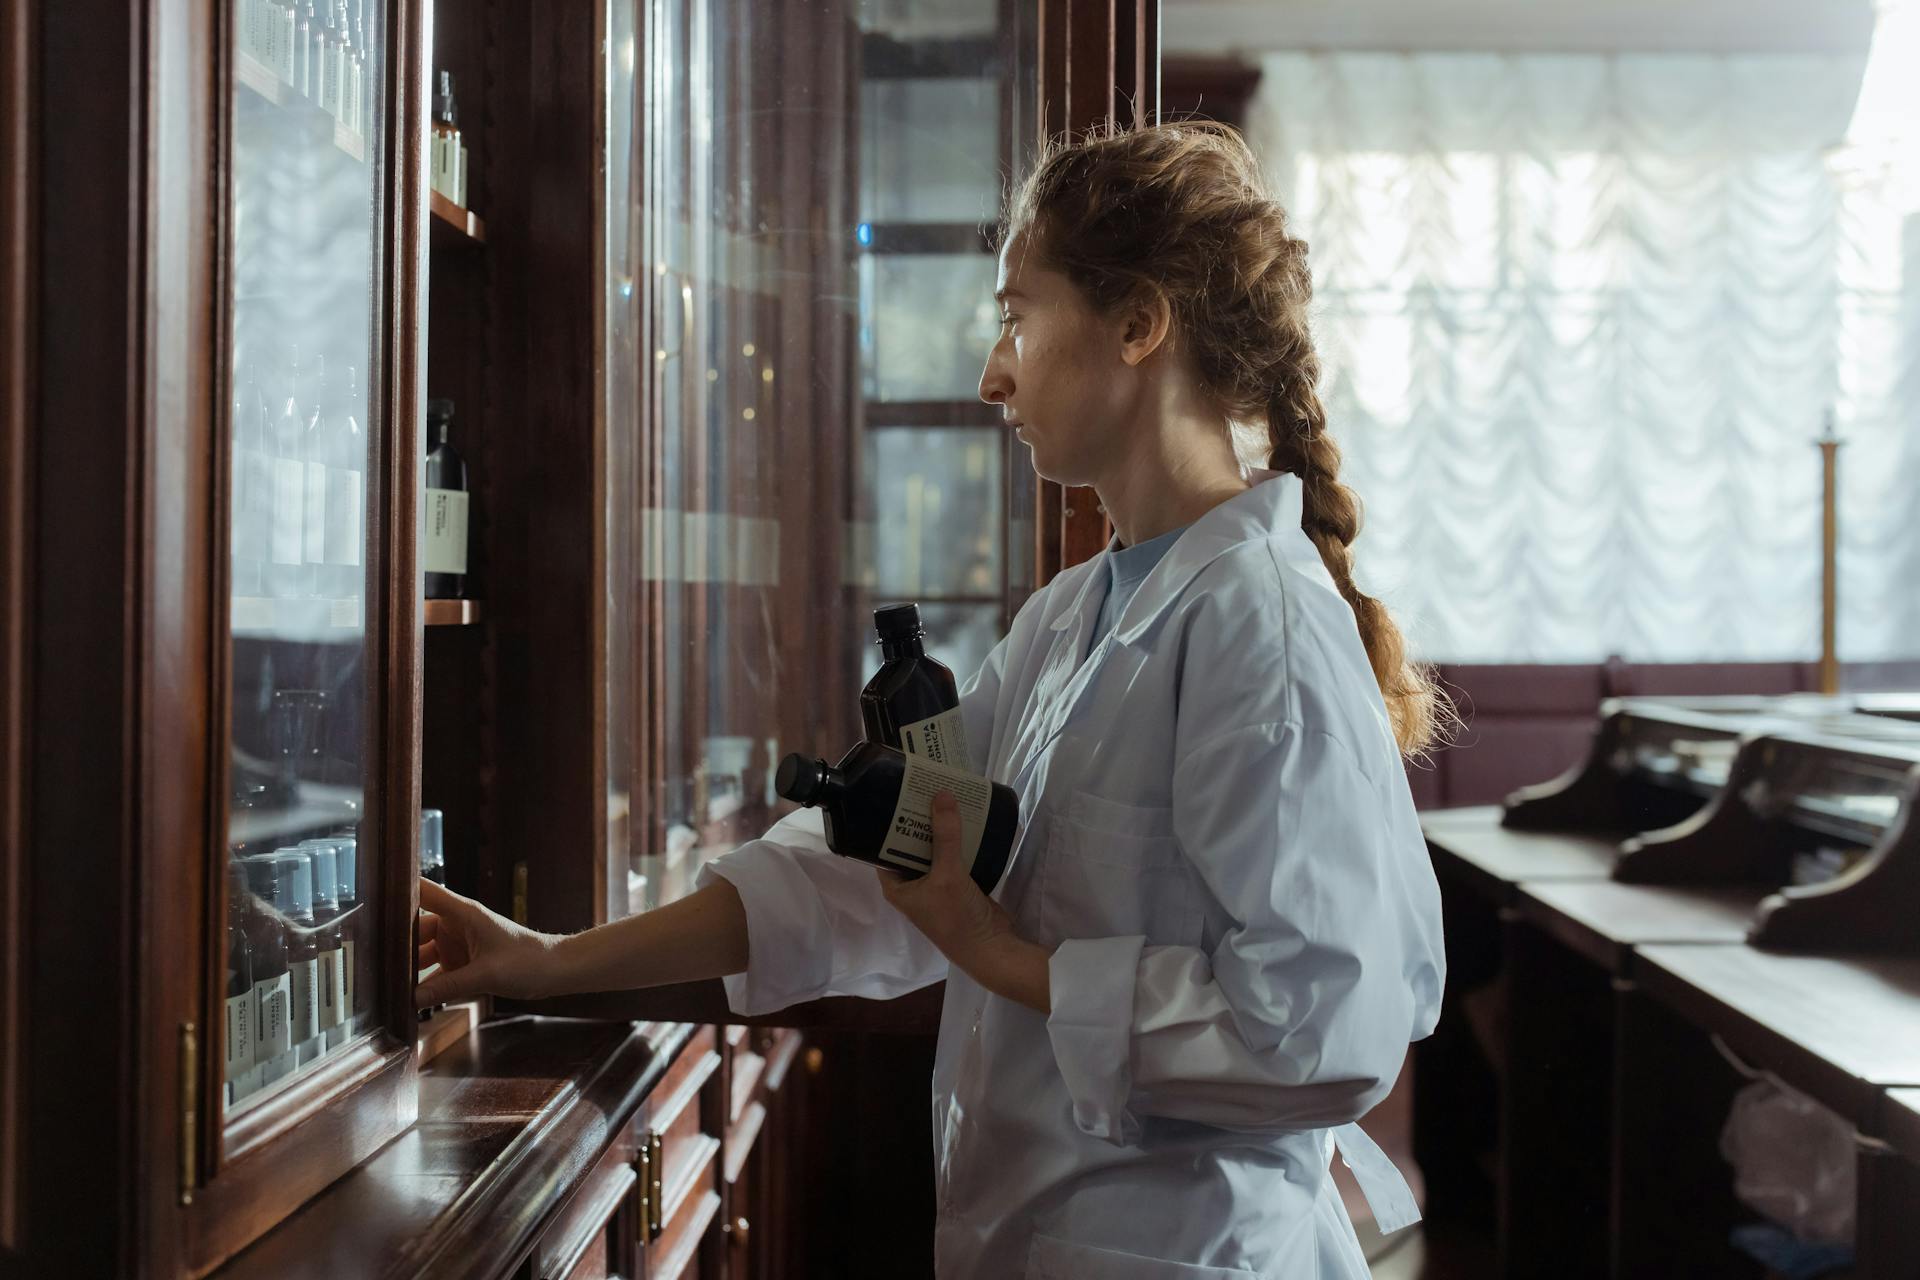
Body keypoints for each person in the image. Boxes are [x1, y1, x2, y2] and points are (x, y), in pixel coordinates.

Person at [414, 121, 1448, 1278]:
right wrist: (544, 960)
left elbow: (1322, 1031)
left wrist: (1003, 956)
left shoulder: (1262, 626)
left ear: (1138, 323)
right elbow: (867, 874)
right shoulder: (1069, 617)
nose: (989, 372)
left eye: (1017, 314)